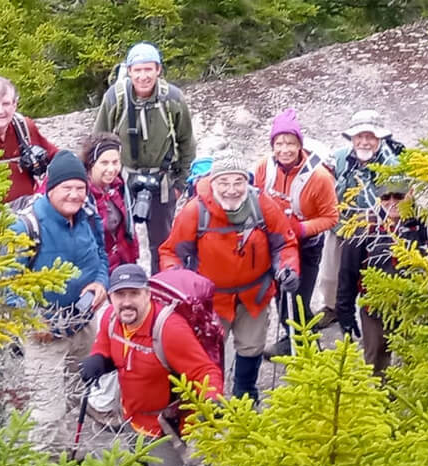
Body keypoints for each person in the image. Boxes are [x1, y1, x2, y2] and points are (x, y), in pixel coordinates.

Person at [78, 263, 224, 466]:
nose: (126, 302)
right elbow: (106, 343)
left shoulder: (167, 328)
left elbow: (205, 371)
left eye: (134, 294)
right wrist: (99, 359)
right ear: (112, 298)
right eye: (120, 295)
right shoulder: (112, 320)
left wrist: (211, 399)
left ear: (147, 294)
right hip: (133, 421)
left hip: (169, 431)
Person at [158, 152, 299, 403]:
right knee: (210, 351)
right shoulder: (195, 211)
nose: (231, 190)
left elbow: (284, 244)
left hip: (254, 294)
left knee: (252, 346)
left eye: (238, 182)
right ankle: (213, 399)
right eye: (224, 182)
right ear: (213, 183)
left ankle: (245, 394)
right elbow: (171, 252)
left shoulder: (263, 205)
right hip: (211, 300)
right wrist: (177, 282)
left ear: (248, 182)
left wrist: (287, 269)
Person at [10, 151, 108, 444]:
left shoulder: (89, 216)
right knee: (46, 413)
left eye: (80, 188)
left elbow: (101, 256)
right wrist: (30, 318)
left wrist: (101, 284)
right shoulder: (26, 226)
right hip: (43, 331)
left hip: (83, 323)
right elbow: (2, 281)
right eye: (68, 188)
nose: (75, 195)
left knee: (76, 392)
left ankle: (66, 450)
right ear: (51, 189)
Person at [335, 176, 428, 378]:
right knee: (376, 364)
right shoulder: (364, 228)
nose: (392, 203)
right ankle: (382, 405)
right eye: (386, 197)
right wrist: (344, 313)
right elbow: (348, 273)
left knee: (419, 361)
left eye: (398, 196)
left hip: (419, 306)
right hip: (375, 307)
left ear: (411, 194)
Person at [93, 43, 196, 269]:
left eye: (148, 69)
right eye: (137, 70)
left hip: (163, 179)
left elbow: (186, 142)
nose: (143, 76)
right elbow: (99, 141)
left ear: (158, 70)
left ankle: (162, 288)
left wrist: (179, 183)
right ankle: (125, 288)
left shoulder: (173, 99)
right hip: (122, 178)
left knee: (163, 243)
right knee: (118, 238)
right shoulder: (115, 98)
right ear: (129, 71)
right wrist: (101, 183)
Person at [253, 108, 338, 357]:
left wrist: (301, 228)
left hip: (307, 244)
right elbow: (254, 199)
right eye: (279, 143)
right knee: (281, 294)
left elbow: (331, 217)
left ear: (300, 144)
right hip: (276, 243)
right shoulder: (264, 168)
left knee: (299, 296)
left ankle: (309, 348)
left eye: (290, 143)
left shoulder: (319, 177)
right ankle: (292, 338)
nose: (285, 149)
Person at [315, 109, 399, 328]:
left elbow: (396, 203)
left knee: (373, 276)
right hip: (341, 227)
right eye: (359, 137)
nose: (364, 142)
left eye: (369, 137)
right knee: (330, 276)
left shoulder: (392, 164)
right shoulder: (339, 158)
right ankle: (332, 308)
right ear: (351, 138)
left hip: (378, 231)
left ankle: (376, 317)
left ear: (379, 138)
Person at [80, 132, 140, 272]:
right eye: (104, 163)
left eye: (115, 162)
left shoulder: (119, 186)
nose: (111, 169)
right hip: (95, 268)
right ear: (91, 163)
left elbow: (127, 231)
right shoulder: (81, 193)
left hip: (121, 262)